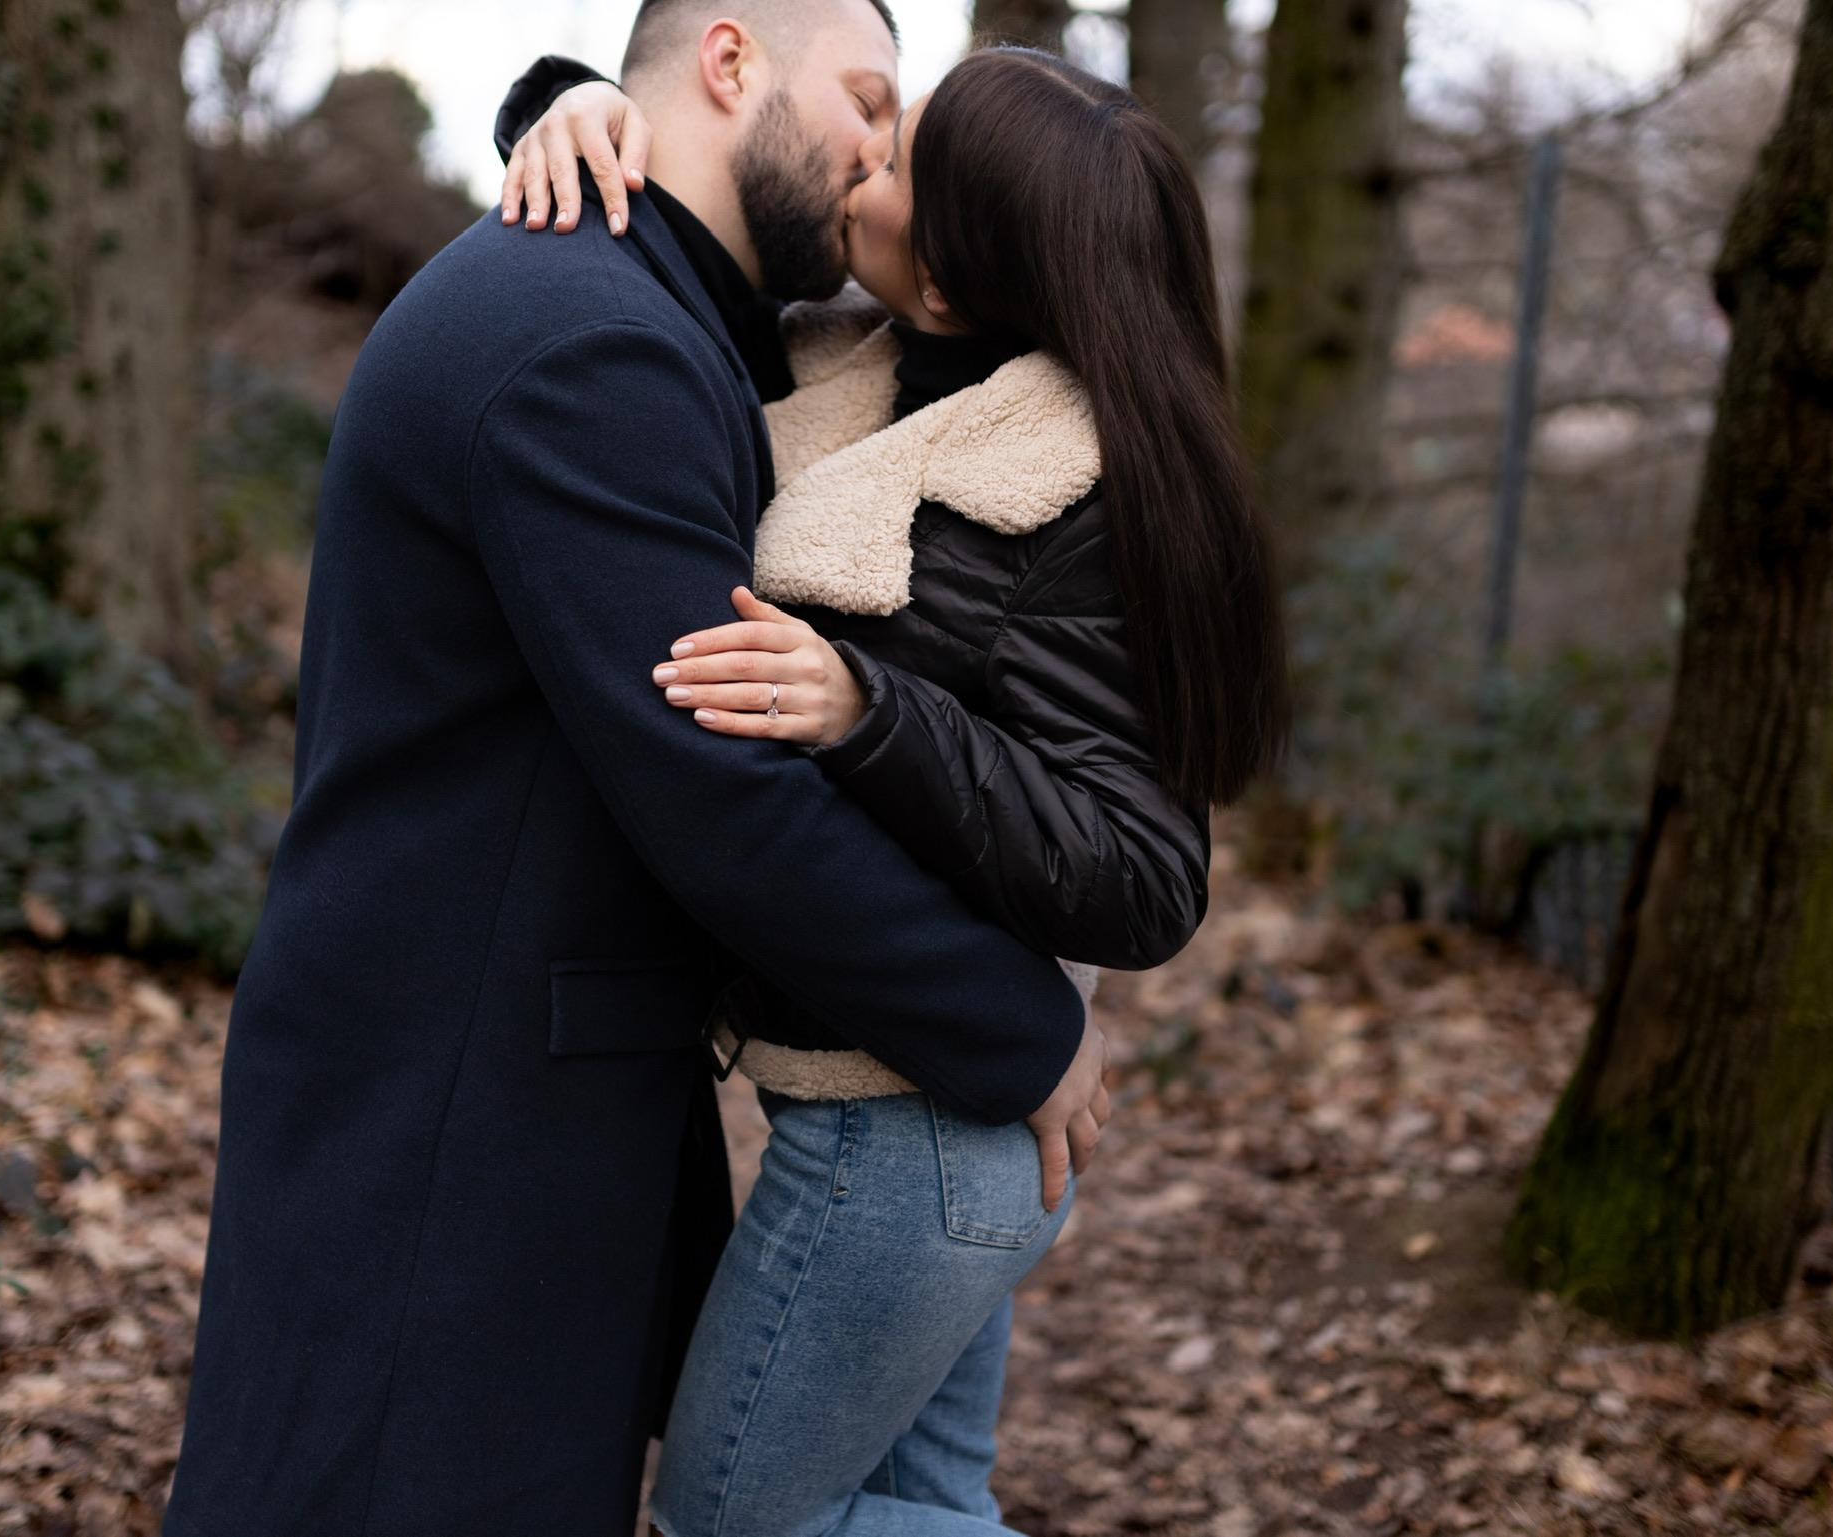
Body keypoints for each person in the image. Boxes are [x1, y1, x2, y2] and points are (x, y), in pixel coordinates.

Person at [156, 3, 1121, 1533]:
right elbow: (720, 788)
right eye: (868, 103)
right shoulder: (590, 338)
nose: (883, 160)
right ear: (732, 65)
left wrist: (563, 99)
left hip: (484, 1089)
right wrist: (1022, 1027)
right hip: (446, 1120)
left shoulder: (637, 305)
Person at [493, 42, 1290, 1537]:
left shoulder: (1070, 491)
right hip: (937, 1125)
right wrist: (578, 109)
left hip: (918, 1145)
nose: (859, 159)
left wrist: (873, 714)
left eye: (895, 160)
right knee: (922, 1509)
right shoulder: (848, 361)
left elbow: (1143, 877)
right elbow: (677, 261)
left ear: (945, 279)